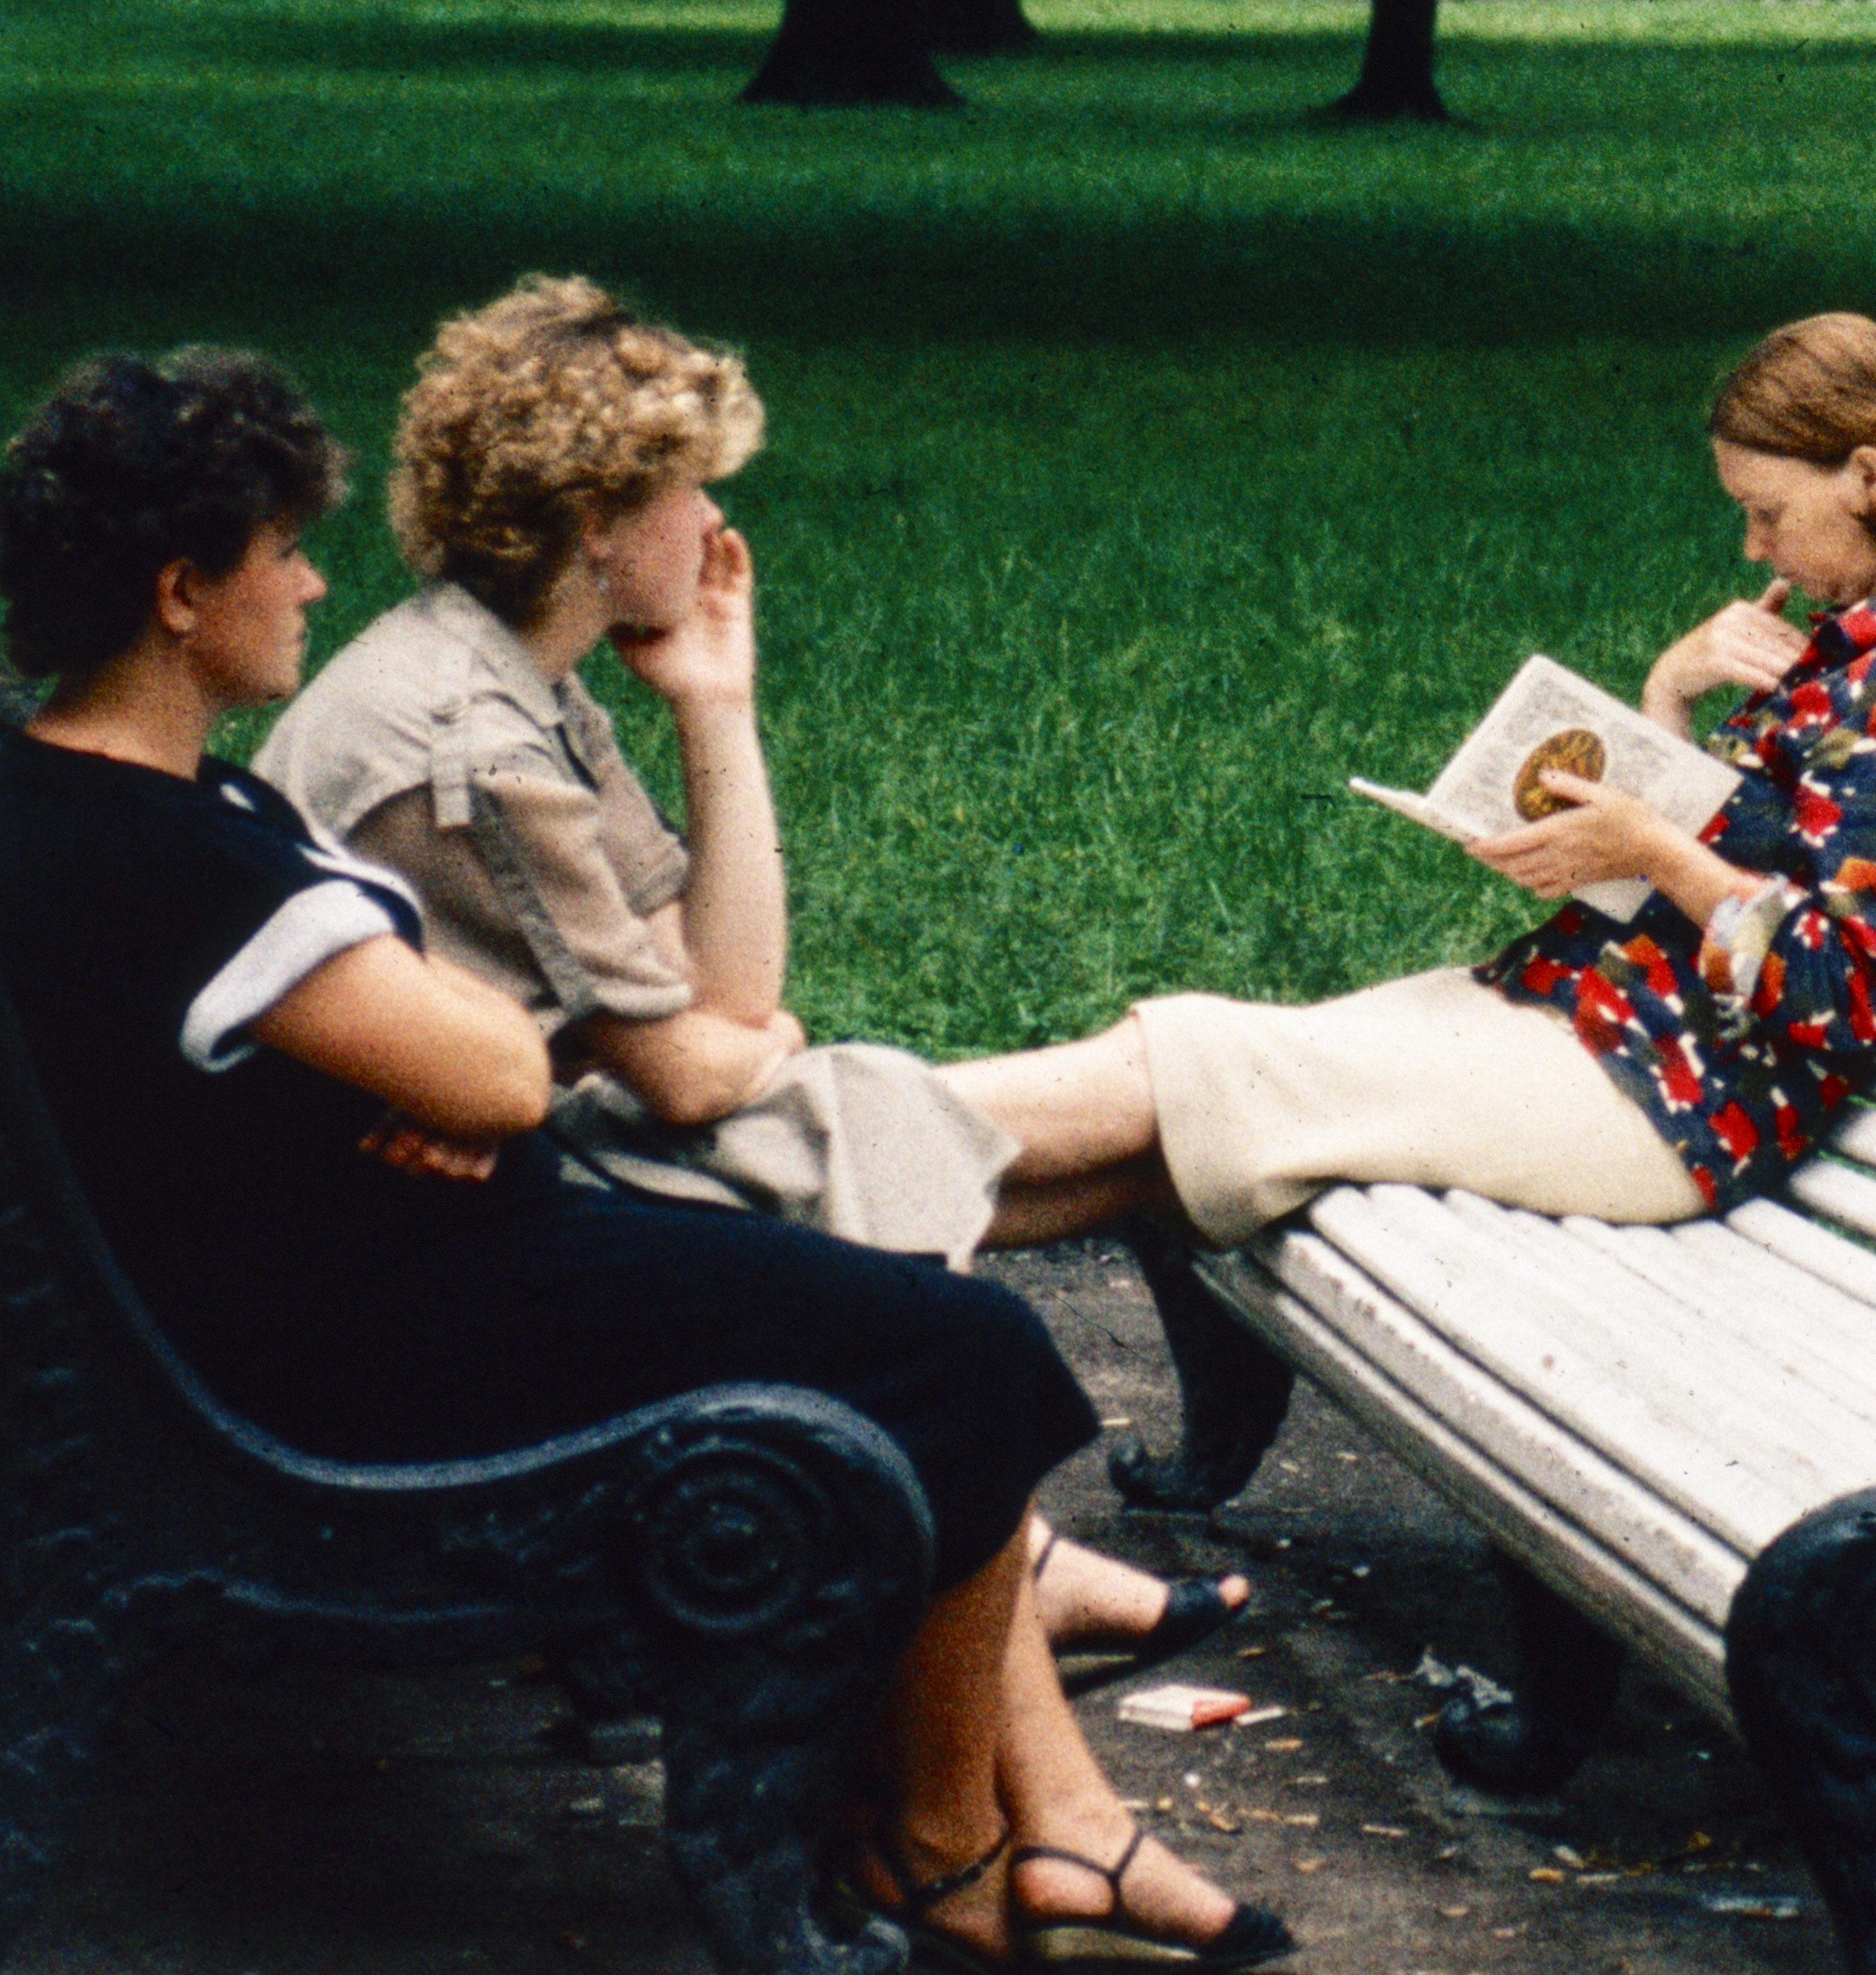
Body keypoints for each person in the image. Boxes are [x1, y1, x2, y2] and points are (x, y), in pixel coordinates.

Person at [0, 347, 1285, 1975]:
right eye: (279, 549)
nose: (310, 580)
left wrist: (436, 1068)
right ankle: (944, 1843)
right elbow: (508, 1059)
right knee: (970, 1351)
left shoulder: (105, 801)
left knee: (900, 1321)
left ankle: (989, 1810)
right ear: (178, 590)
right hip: (365, 1352)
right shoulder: (165, 851)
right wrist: (465, 1066)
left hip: (339, 1289)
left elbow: (472, 1044)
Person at [253, 282, 1245, 1677]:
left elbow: (723, 986)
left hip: (518, 1154)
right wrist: (742, 1032)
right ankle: (986, 1545)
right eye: (691, 491)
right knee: (876, 1113)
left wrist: (716, 703)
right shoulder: (472, 739)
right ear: (594, 521)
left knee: (898, 1109)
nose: (718, 529)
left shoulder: (517, 670)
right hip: (454, 1229)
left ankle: (1001, 1546)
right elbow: (691, 1059)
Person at [942, 315, 1876, 1248]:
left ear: (1870, 476)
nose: (1754, 542)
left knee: (1193, 1063)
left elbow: (1844, 997)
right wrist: (1666, 698)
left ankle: (797, 1145)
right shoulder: (1858, 654)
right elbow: (1717, 882)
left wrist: (1651, 847)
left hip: (1659, 1097)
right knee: (1163, 1132)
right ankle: (813, 1226)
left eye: (1767, 511)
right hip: (1594, 1028)